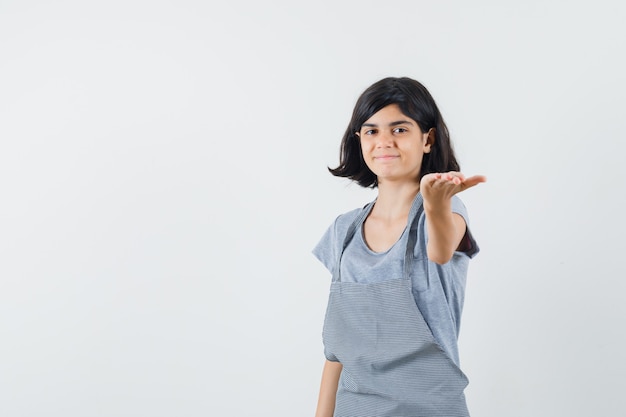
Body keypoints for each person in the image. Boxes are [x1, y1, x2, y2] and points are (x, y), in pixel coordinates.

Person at [312, 77, 486, 417]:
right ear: (359, 140)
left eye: (400, 129)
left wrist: (434, 203)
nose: (384, 141)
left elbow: (441, 251)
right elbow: (336, 353)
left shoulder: (446, 213)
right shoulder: (343, 231)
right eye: (371, 131)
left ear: (428, 139)